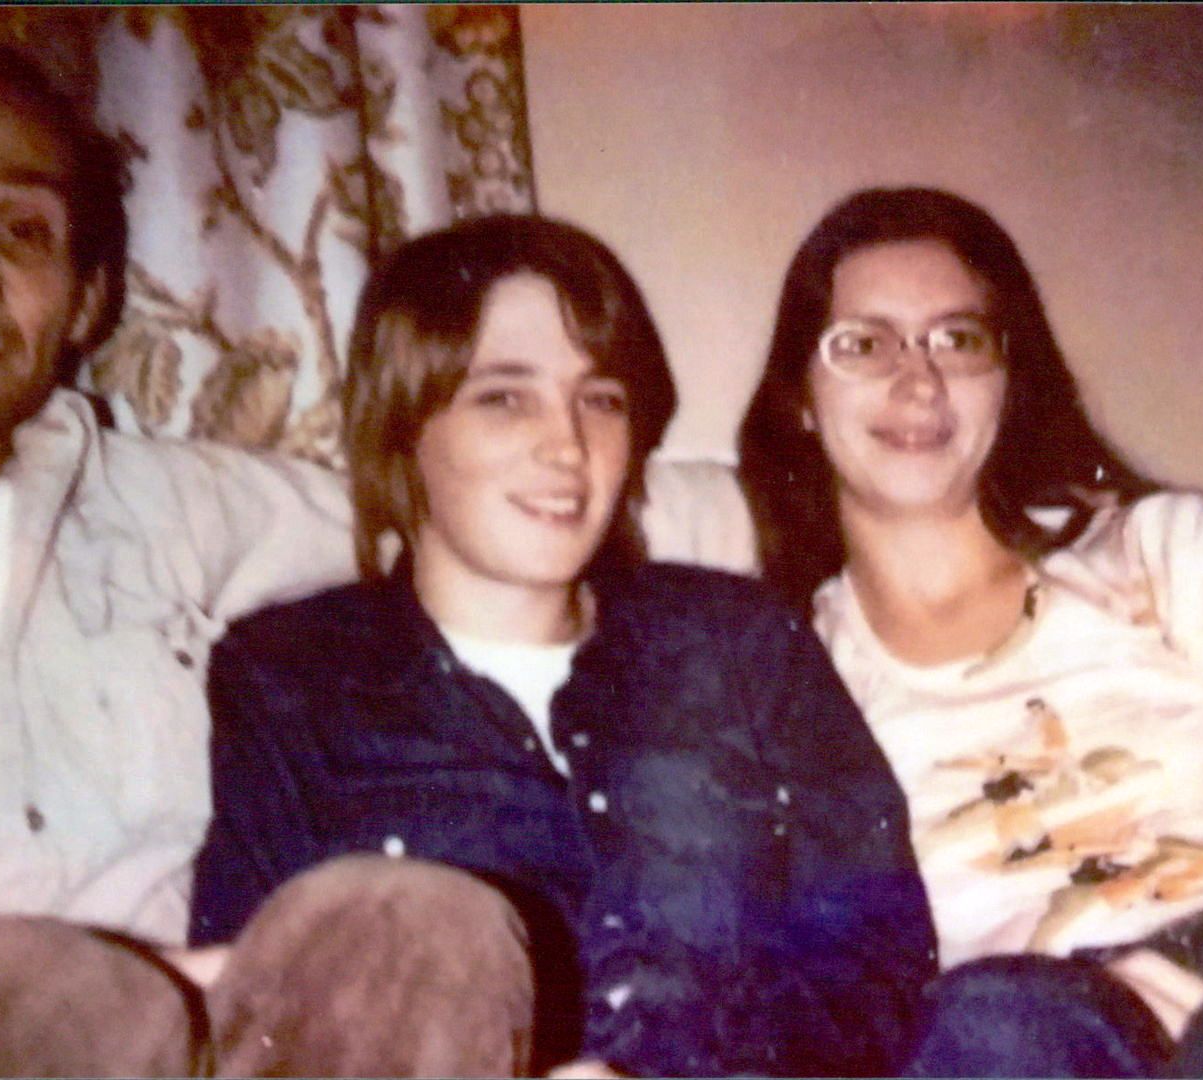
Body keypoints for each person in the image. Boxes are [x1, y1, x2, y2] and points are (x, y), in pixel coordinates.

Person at [188, 213, 938, 1077]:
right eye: (504, 397)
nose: (567, 445)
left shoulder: (737, 639)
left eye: (600, 399)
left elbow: (878, 951)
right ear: (403, 424)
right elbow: (259, 1001)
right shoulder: (290, 678)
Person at [738, 187, 1203, 1077]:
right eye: (862, 343)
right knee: (999, 1030)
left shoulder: (1167, 547)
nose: (917, 380)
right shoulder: (778, 679)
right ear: (798, 396)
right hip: (1014, 1033)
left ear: (1007, 381)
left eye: (958, 339)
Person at [0, 36, 360, 1075]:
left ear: (85, 299)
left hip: (186, 1043)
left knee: (413, 928)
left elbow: (458, 509)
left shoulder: (163, 508)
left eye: (20, 230)